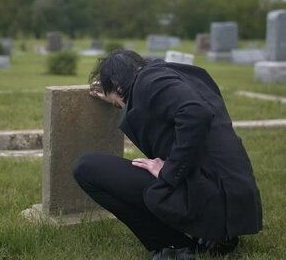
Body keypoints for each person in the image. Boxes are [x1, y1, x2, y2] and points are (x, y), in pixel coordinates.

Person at [72, 50, 262, 259]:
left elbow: (195, 113)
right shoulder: (180, 74)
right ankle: (215, 236)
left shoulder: (151, 82)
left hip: (212, 198)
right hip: (232, 203)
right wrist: (115, 95)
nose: (120, 106)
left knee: (86, 168)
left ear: (117, 84)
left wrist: (169, 172)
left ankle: (176, 246)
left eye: (117, 101)